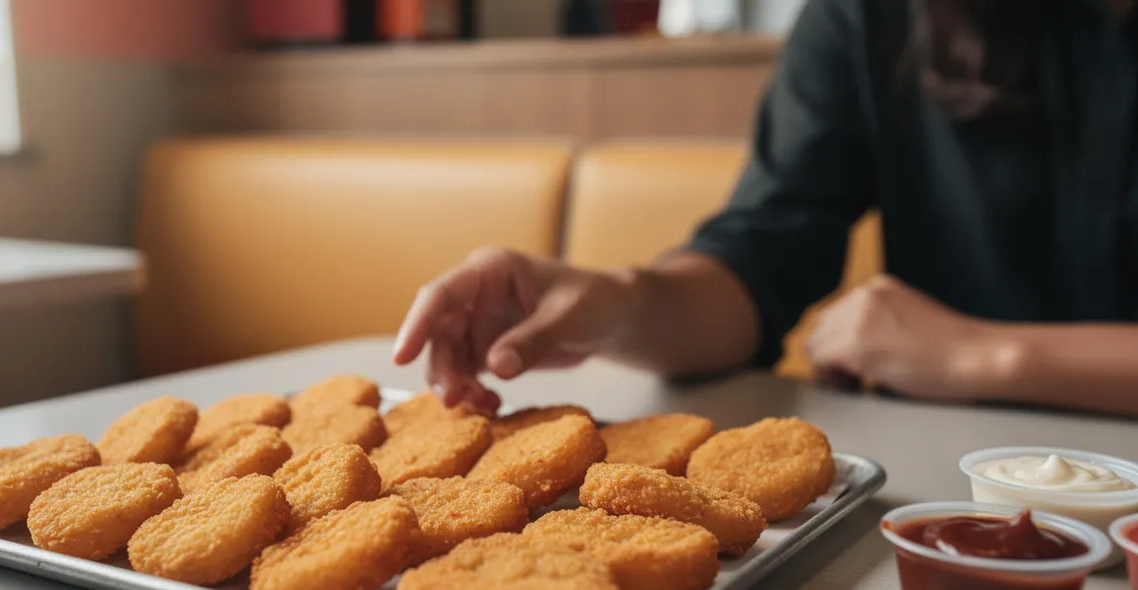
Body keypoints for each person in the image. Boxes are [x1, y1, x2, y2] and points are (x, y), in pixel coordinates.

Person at [392, 0, 1138, 419]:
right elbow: (757, 262)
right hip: (947, 489)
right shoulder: (868, 20)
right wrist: (614, 303)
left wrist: (984, 355)